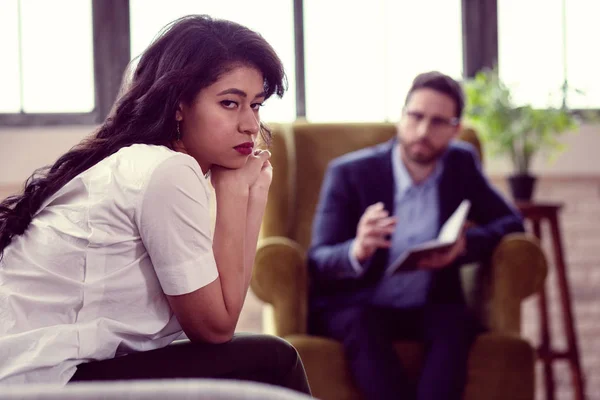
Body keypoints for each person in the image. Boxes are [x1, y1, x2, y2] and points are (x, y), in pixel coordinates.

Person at [0, 15, 311, 395]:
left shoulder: (142, 161)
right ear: (179, 105)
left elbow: (219, 315)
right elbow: (215, 328)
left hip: (49, 368)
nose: (249, 124)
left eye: (257, 105)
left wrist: (253, 193)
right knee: (273, 360)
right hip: (42, 377)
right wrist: (234, 195)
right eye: (230, 103)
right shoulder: (166, 171)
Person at [307, 71, 524, 400]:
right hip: (360, 305)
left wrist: (464, 247)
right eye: (416, 116)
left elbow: (512, 222)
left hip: (429, 305)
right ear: (401, 116)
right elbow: (318, 259)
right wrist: (358, 249)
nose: (423, 131)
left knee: (453, 323)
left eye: (438, 122)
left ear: (455, 130)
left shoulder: (461, 165)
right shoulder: (349, 173)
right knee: (361, 323)